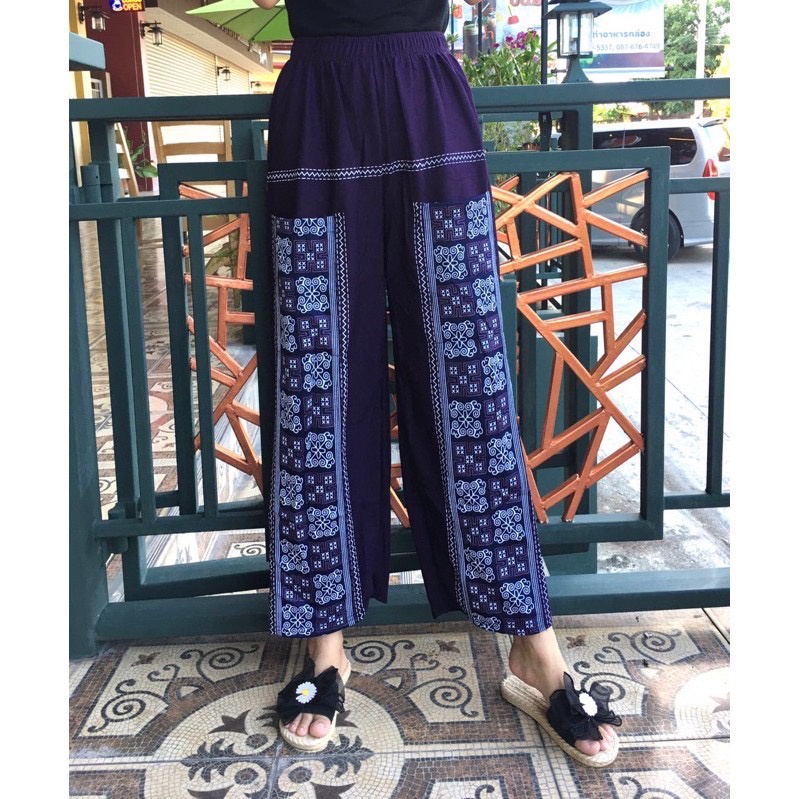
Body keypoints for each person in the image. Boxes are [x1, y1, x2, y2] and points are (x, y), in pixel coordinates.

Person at [253, 0, 622, 768]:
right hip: (317, 102)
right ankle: (323, 643)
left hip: (426, 93)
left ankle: (533, 646)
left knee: (471, 375)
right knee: (316, 381)